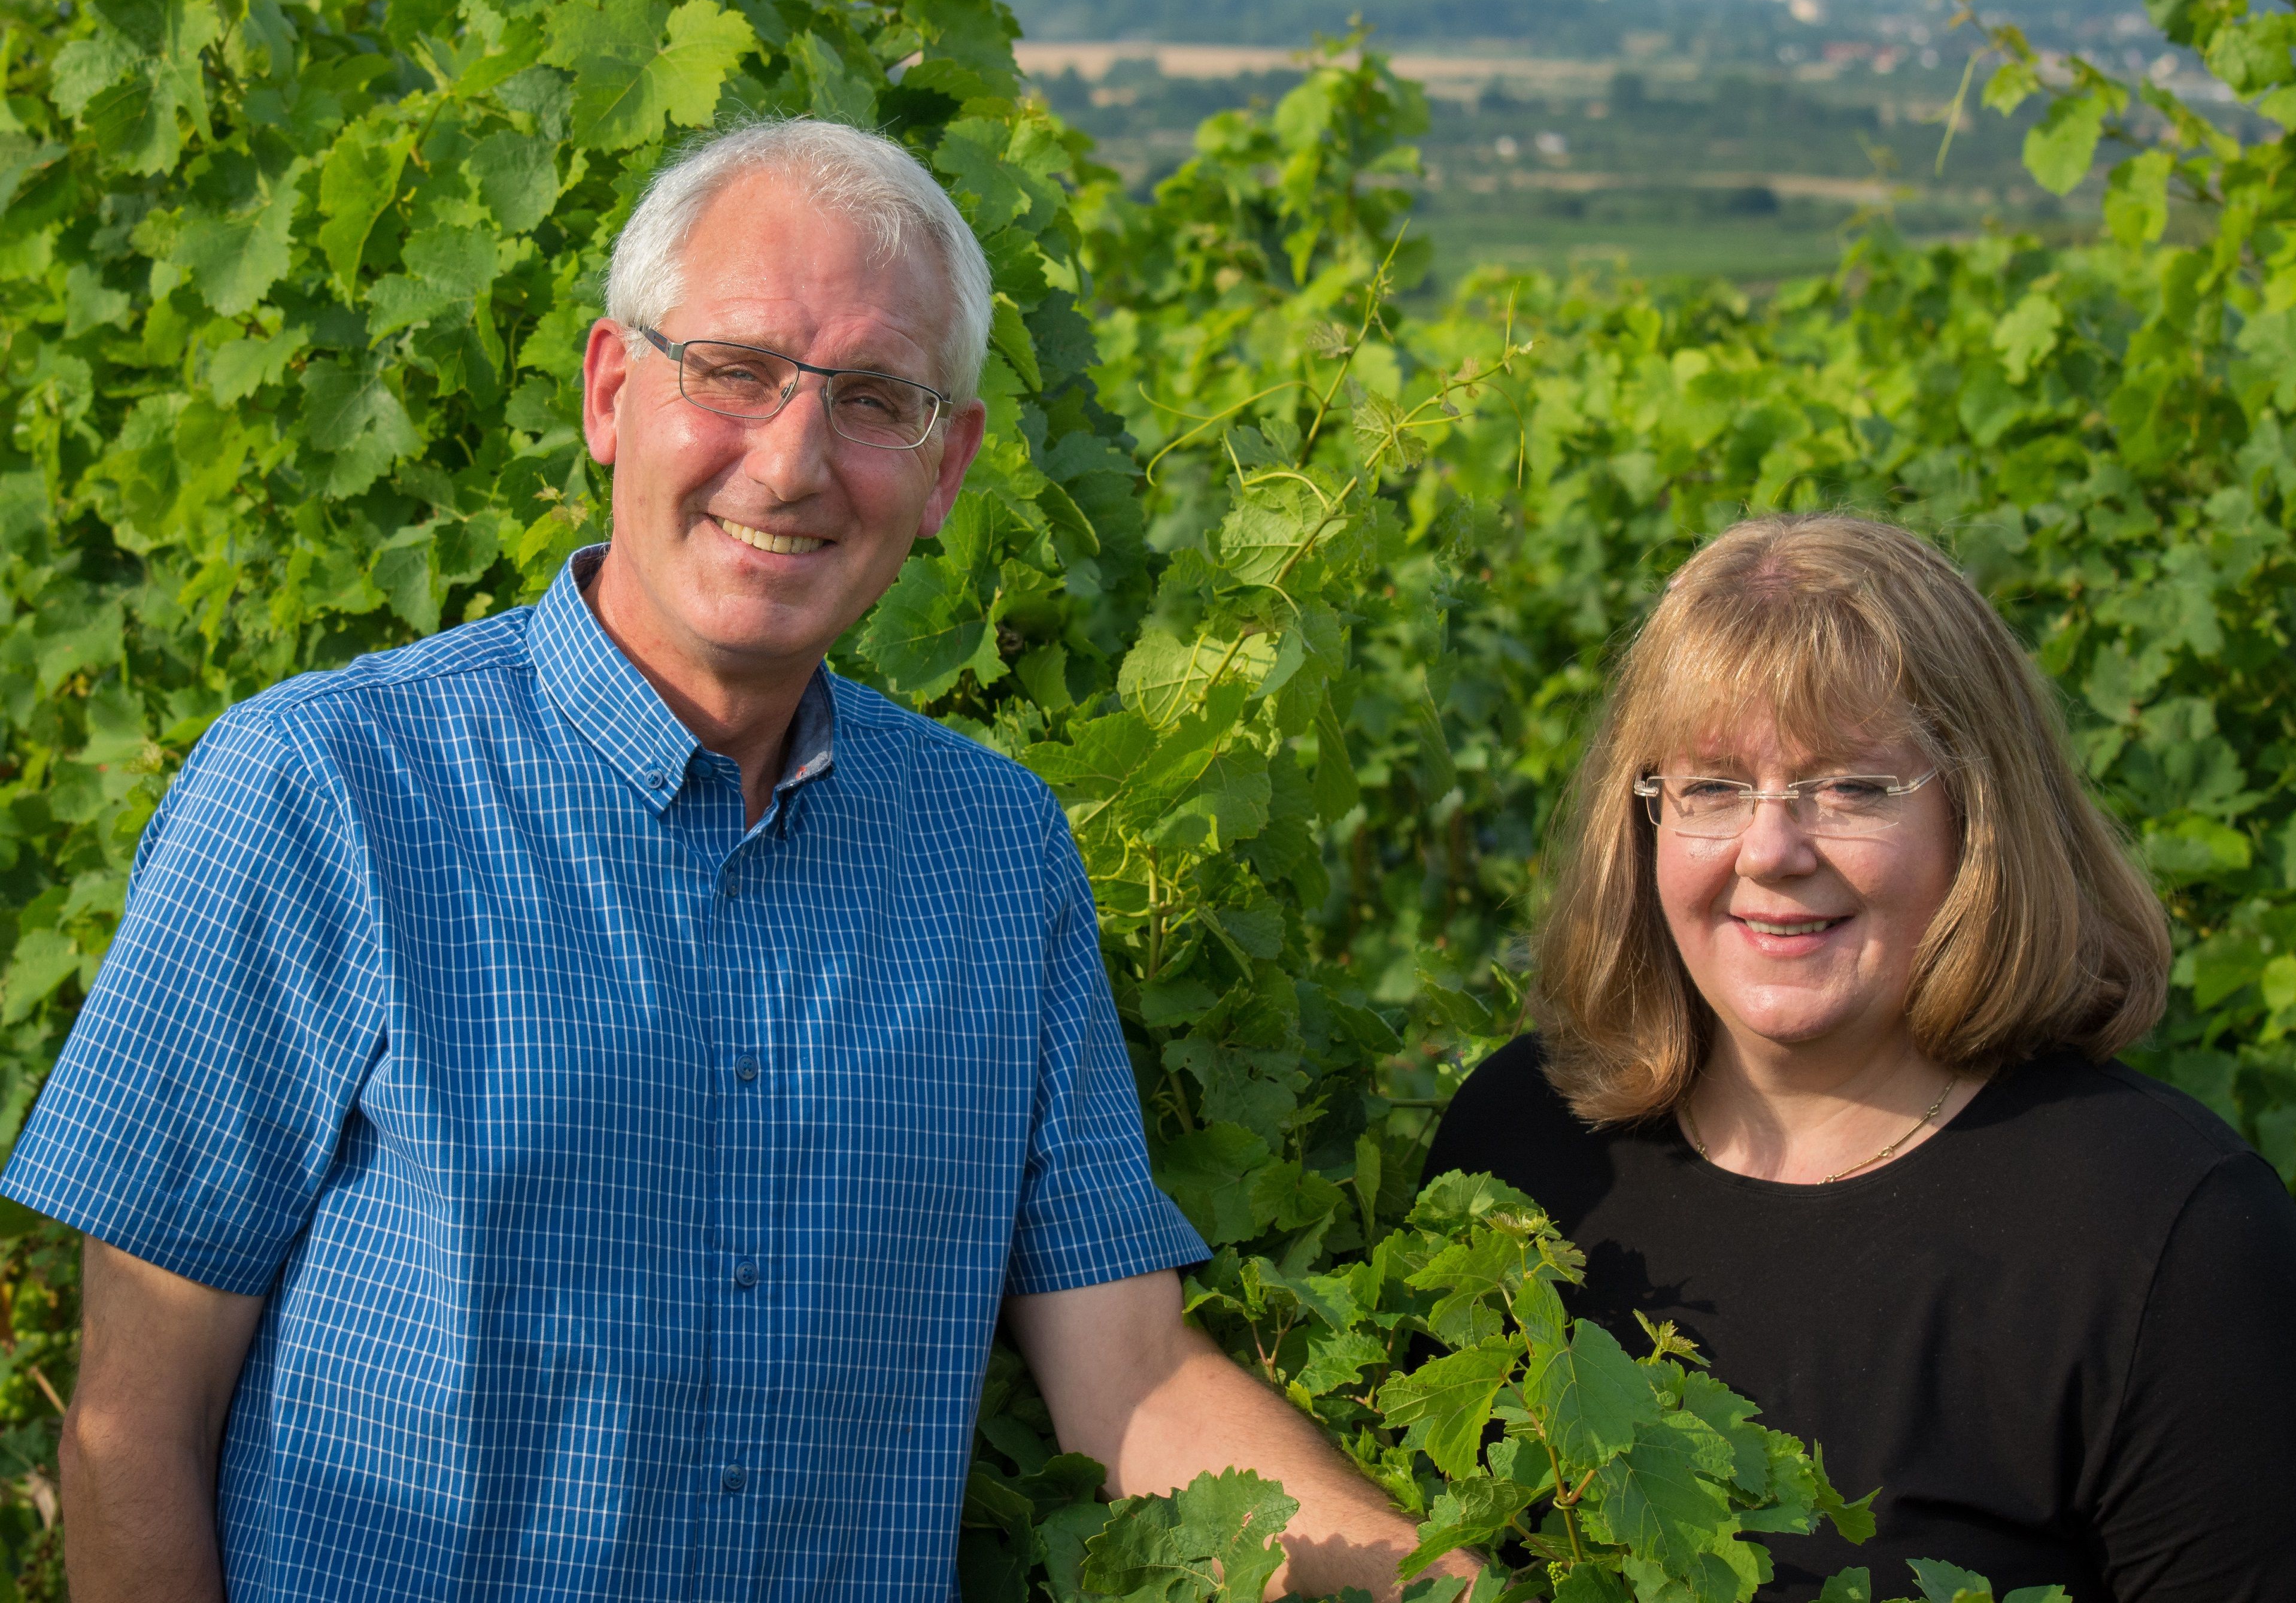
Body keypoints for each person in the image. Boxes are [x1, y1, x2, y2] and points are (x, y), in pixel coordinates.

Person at [7, 119, 1467, 1602]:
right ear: (609, 392)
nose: (791, 462)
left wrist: (1452, 1586)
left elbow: (1133, 1385)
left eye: (876, 400)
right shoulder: (323, 790)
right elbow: (135, 1427)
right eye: (735, 371)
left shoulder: (995, 853)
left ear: (947, 466)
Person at [1425, 514, 2296, 1601]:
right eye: (1710, 787)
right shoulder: (1521, 1143)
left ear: (1976, 811)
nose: (1770, 849)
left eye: (1849, 786)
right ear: (1644, 819)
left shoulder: (2179, 1248)